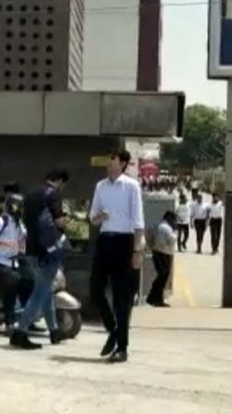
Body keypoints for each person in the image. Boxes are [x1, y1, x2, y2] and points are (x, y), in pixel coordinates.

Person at [89, 149, 145, 363]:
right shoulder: (100, 186)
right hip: (105, 240)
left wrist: (137, 250)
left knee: (122, 297)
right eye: (108, 159)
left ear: (122, 163)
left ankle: (122, 347)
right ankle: (113, 329)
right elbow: (92, 218)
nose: (109, 163)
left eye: (113, 159)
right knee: (95, 289)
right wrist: (99, 217)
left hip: (124, 241)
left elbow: (138, 220)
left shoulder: (131, 186)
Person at [10, 169, 71, 349]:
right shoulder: (53, 194)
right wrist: (67, 222)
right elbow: (59, 222)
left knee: (46, 291)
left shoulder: (30, 195)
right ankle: (20, 332)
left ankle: (54, 331)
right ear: (60, 181)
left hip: (31, 249)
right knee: (39, 293)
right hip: (48, 250)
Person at [0, 193, 29, 332]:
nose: (20, 210)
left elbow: (24, 239)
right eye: (17, 207)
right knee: (12, 282)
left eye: (21, 207)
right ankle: (9, 322)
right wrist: (3, 242)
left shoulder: (19, 224)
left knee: (30, 280)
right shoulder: (0, 222)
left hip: (13, 262)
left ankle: (27, 317)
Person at [146, 211, 177, 307]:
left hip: (156, 252)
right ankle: (155, 298)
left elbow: (149, 235)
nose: (174, 222)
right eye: (173, 220)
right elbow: (172, 240)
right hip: (164, 253)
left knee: (162, 275)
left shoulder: (157, 225)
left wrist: (150, 245)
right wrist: (175, 232)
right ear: (169, 219)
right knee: (163, 275)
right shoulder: (167, 228)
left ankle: (153, 298)